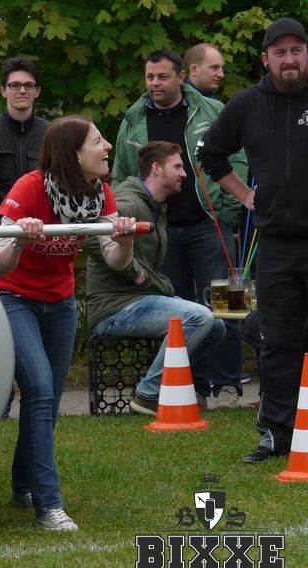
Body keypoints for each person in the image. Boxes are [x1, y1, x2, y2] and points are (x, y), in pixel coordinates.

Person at [0, 115, 135, 531]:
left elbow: (114, 258)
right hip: (12, 297)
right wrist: (20, 239)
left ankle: (23, 485)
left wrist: (124, 240)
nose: (107, 147)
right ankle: (48, 505)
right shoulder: (30, 187)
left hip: (60, 302)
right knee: (38, 389)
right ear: (74, 153)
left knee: (47, 400)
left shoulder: (99, 191)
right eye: (98, 141)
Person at [197, 18, 308, 463]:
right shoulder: (246, 105)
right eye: (279, 52)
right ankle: (276, 435)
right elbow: (209, 154)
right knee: (278, 339)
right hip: (276, 243)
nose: (289, 59)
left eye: (296, 50)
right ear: (266, 59)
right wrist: (245, 195)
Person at [112, 48, 248, 409]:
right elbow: (121, 174)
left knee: (226, 305)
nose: (155, 83)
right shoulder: (133, 118)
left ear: (181, 77)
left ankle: (228, 384)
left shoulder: (211, 110)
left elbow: (236, 159)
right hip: (161, 230)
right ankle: (193, 386)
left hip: (209, 224)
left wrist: (228, 210)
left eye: (163, 76)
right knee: (181, 310)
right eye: (149, 77)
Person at [84, 141, 226, 414]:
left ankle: (166, 384)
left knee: (216, 327)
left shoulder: (154, 205)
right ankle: (148, 395)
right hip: (113, 308)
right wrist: (133, 271)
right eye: (178, 166)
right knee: (199, 317)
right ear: (157, 168)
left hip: (139, 301)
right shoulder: (129, 202)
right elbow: (91, 237)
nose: (184, 173)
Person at [0, 57, 49, 269]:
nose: (22, 90)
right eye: (15, 85)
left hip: (43, 237)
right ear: (3, 90)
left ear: (37, 91)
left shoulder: (51, 135)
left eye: (29, 85)